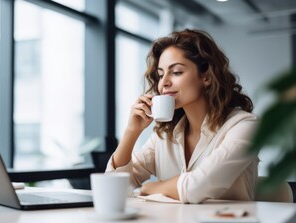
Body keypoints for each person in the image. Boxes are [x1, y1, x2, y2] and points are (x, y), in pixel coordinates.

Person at [105, 29, 259, 203]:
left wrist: (151, 187)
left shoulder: (245, 126)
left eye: (176, 72)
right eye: (161, 75)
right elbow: (112, 189)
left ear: (206, 77)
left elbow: (197, 186)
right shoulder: (164, 135)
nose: (163, 83)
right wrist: (131, 132)